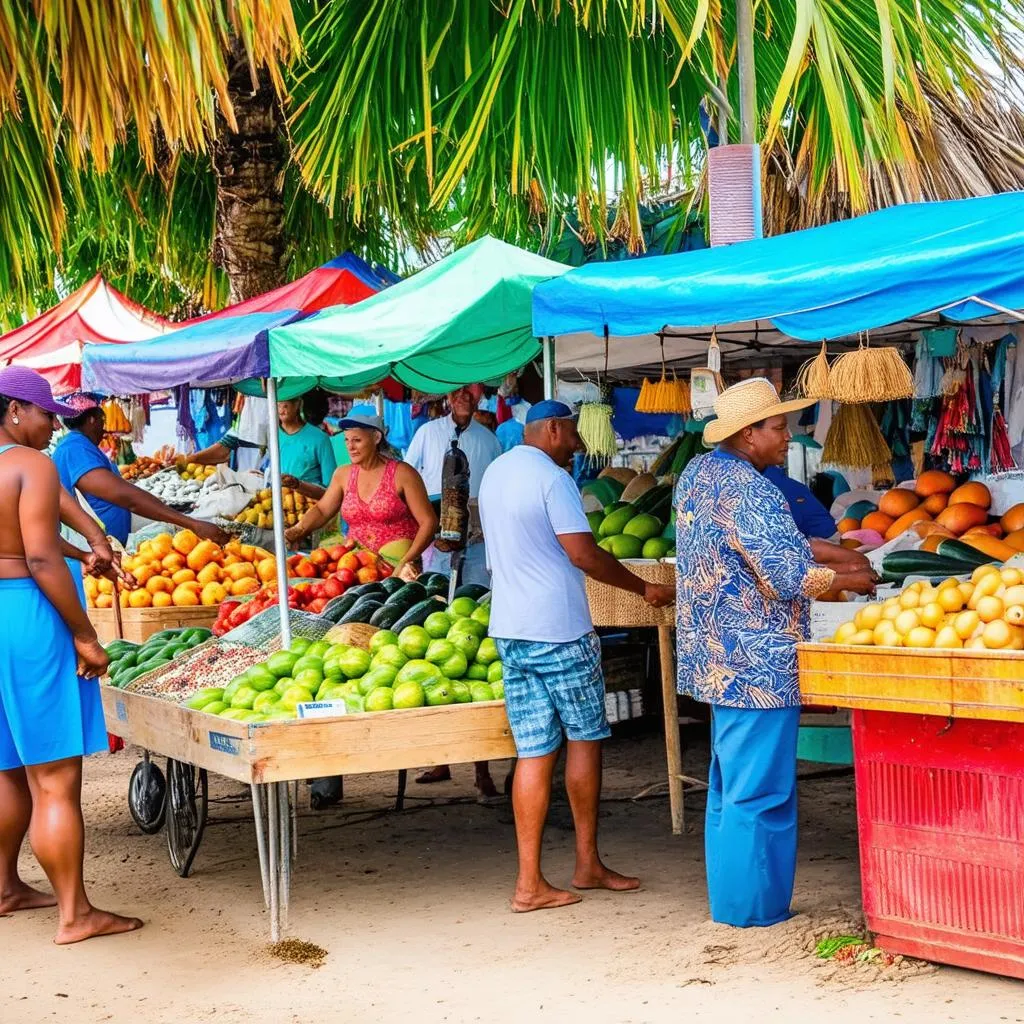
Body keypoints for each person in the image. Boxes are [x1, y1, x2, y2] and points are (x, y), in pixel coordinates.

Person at [674, 379, 877, 928]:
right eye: (779, 426)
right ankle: (753, 911)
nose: (788, 437)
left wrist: (836, 564)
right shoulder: (751, 489)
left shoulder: (700, 473)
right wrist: (848, 581)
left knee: (731, 788)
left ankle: (735, 902)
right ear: (748, 434)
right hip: (757, 663)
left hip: (716, 657)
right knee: (760, 792)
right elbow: (787, 574)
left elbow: (766, 547)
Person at [479, 400, 675, 912]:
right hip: (559, 629)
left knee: (534, 751)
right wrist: (643, 588)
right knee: (585, 739)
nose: (579, 447)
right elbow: (583, 553)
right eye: (574, 436)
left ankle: (529, 883)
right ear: (554, 428)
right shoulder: (551, 478)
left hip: (511, 631)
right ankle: (587, 861)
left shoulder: (497, 471)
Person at [0, 368, 142, 943]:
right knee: (55, 778)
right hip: (28, 617)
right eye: (45, 415)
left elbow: (23, 535)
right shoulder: (29, 465)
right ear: (15, 411)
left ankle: (7, 886)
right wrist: (84, 634)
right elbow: (37, 558)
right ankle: (75, 915)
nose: (51, 427)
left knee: (7, 765)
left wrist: (86, 547)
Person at [404, 385, 503, 795]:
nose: (463, 397)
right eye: (457, 391)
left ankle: (481, 769)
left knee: (469, 634)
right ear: (447, 397)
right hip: (437, 548)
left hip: (477, 546)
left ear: (479, 397)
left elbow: (496, 495)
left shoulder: (489, 440)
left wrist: (476, 525)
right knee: (434, 637)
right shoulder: (427, 434)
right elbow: (407, 483)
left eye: (471, 391)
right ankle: (441, 758)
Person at [52, 394, 229, 550]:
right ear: (92, 419)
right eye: (102, 420)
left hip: (108, 545)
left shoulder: (80, 446)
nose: (104, 428)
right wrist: (191, 524)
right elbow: (126, 496)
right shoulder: (74, 449)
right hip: (94, 550)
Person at [284, 413, 437, 578]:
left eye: (357, 440)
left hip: (399, 571)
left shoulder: (402, 474)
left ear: (376, 437)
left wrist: (406, 562)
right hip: (356, 571)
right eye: (347, 440)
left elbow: (429, 522)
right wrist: (298, 530)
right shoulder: (343, 475)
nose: (350, 447)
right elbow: (322, 510)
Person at [187, 398, 337, 494]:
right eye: (278, 405)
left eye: (286, 405)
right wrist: (261, 474)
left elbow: (331, 490)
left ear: (298, 403)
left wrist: (298, 485)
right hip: (274, 500)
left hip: (307, 505)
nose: (282, 410)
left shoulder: (320, 439)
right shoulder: (271, 433)